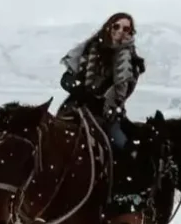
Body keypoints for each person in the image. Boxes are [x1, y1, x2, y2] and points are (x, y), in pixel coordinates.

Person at [59, 11, 145, 151]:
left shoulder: (131, 62)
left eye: (126, 29)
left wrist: (98, 99)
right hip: (76, 107)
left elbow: (123, 92)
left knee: (121, 146)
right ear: (109, 27)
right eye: (116, 26)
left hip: (107, 113)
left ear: (130, 33)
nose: (120, 31)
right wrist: (78, 88)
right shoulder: (89, 49)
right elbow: (68, 78)